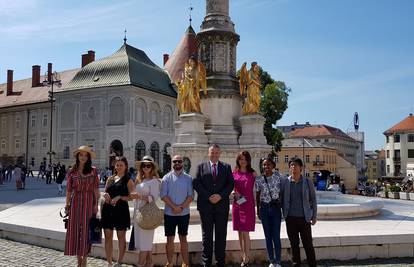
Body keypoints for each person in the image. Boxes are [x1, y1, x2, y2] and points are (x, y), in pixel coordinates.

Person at [193, 144, 234, 267]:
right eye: (212, 152)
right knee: (207, 236)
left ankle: (220, 262)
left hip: (221, 207)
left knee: (221, 236)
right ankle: (207, 263)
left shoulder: (226, 167)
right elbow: (196, 183)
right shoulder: (200, 167)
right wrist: (208, 196)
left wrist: (220, 196)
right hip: (206, 207)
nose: (214, 154)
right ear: (208, 153)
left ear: (220, 153)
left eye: (216, 152)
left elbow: (230, 184)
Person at [64, 145, 100, 267]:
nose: (83, 157)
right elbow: (69, 191)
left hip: (89, 202)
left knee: (86, 232)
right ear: (77, 156)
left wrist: (96, 204)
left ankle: (84, 262)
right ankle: (79, 262)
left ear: (88, 157)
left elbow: (96, 189)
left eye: (86, 155)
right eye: (81, 155)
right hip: (75, 203)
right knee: (75, 231)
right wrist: (67, 205)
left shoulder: (93, 170)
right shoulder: (72, 171)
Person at [101, 156, 136, 267]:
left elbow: (132, 197)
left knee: (121, 237)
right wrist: (104, 195)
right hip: (108, 210)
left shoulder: (128, 180)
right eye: (117, 165)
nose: (119, 167)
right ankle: (109, 262)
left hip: (121, 211)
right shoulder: (110, 178)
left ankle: (119, 262)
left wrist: (120, 197)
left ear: (126, 166)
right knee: (108, 236)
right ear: (114, 166)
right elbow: (105, 192)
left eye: (121, 165)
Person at [282, 157, 317, 267]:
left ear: (301, 167)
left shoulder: (307, 182)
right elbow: (282, 198)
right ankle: (296, 264)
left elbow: (313, 199)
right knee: (294, 244)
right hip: (290, 218)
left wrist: (314, 215)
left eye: (296, 165)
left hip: (304, 218)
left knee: (308, 244)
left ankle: (312, 264)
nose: (293, 167)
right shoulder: (286, 182)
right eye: (291, 165)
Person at [160, 154, 193, 267]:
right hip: (169, 213)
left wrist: (181, 207)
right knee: (170, 239)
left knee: (183, 238)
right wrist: (174, 207)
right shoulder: (166, 178)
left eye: (179, 161)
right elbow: (163, 195)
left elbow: (190, 196)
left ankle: (186, 263)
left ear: (182, 163)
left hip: (184, 213)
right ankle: (169, 263)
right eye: (175, 161)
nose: (177, 163)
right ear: (172, 163)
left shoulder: (188, 178)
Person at [130, 155, 161, 267]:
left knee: (144, 244)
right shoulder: (140, 179)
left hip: (147, 215)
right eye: (144, 165)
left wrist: (139, 197)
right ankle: (149, 263)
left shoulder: (154, 181)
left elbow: (154, 198)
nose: (146, 167)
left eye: (148, 165)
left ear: (152, 167)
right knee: (144, 244)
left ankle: (140, 264)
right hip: (139, 213)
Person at [255, 157, 282, 267]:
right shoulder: (259, 179)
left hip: (275, 209)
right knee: (268, 236)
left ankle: (278, 261)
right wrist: (258, 210)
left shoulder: (278, 177)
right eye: (264, 165)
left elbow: (282, 192)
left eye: (268, 164)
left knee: (276, 235)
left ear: (273, 165)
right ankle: (271, 261)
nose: (266, 167)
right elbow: (257, 196)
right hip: (264, 208)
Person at [232, 151, 257, 267]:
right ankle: (243, 255)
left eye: (245, 159)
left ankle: (247, 257)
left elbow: (258, 189)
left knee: (245, 232)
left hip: (248, 206)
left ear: (248, 161)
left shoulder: (253, 174)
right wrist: (233, 192)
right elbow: (231, 188)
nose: (243, 161)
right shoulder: (234, 173)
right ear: (238, 160)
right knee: (239, 232)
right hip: (237, 205)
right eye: (241, 159)